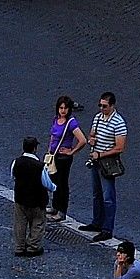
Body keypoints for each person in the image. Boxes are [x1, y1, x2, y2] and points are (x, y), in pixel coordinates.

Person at [83, 91, 127, 239]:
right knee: (97, 194)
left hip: (107, 163)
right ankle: (96, 222)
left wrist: (100, 154)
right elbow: (92, 134)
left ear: (112, 106)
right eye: (100, 105)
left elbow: (120, 147)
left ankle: (107, 229)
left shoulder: (119, 123)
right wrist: (91, 140)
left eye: (104, 106)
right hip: (96, 160)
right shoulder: (97, 118)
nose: (101, 108)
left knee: (108, 197)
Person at [47, 96, 85, 224]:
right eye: (61, 108)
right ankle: (54, 207)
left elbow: (82, 140)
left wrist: (72, 151)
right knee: (54, 181)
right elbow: (52, 136)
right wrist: (49, 151)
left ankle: (61, 211)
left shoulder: (71, 123)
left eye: (65, 108)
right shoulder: (56, 119)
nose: (63, 110)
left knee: (62, 184)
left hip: (64, 158)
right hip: (54, 155)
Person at [11, 137, 50, 257]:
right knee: (38, 223)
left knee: (20, 223)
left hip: (20, 198)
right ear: (35, 149)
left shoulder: (16, 162)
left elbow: (13, 176)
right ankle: (33, 247)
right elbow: (47, 183)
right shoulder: (40, 166)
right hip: (37, 200)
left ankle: (19, 247)